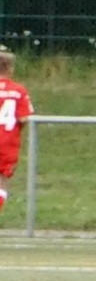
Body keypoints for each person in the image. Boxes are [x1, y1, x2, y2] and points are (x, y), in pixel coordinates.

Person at [0, 52, 35, 215]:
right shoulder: (18, 91)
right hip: (7, 142)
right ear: (10, 69)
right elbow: (23, 118)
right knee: (2, 183)